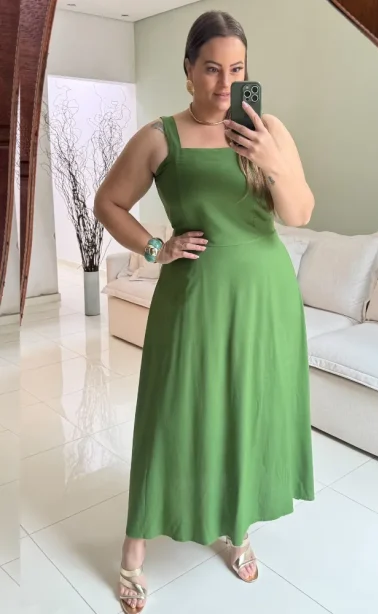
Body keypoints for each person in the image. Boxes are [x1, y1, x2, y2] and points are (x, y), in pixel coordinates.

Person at [94, 10, 315, 613]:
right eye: (213, 69)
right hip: (193, 298)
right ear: (189, 69)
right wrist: (155, 248)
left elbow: (298, 212)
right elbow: (108, 202)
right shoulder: (159, 136)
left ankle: (237, 527)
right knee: (171, 412)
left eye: (237, 70)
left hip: (265, 296)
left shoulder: (268, 128)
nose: (225, 84)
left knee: (245, 410)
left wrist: (270, 158)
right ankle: (135, 548)